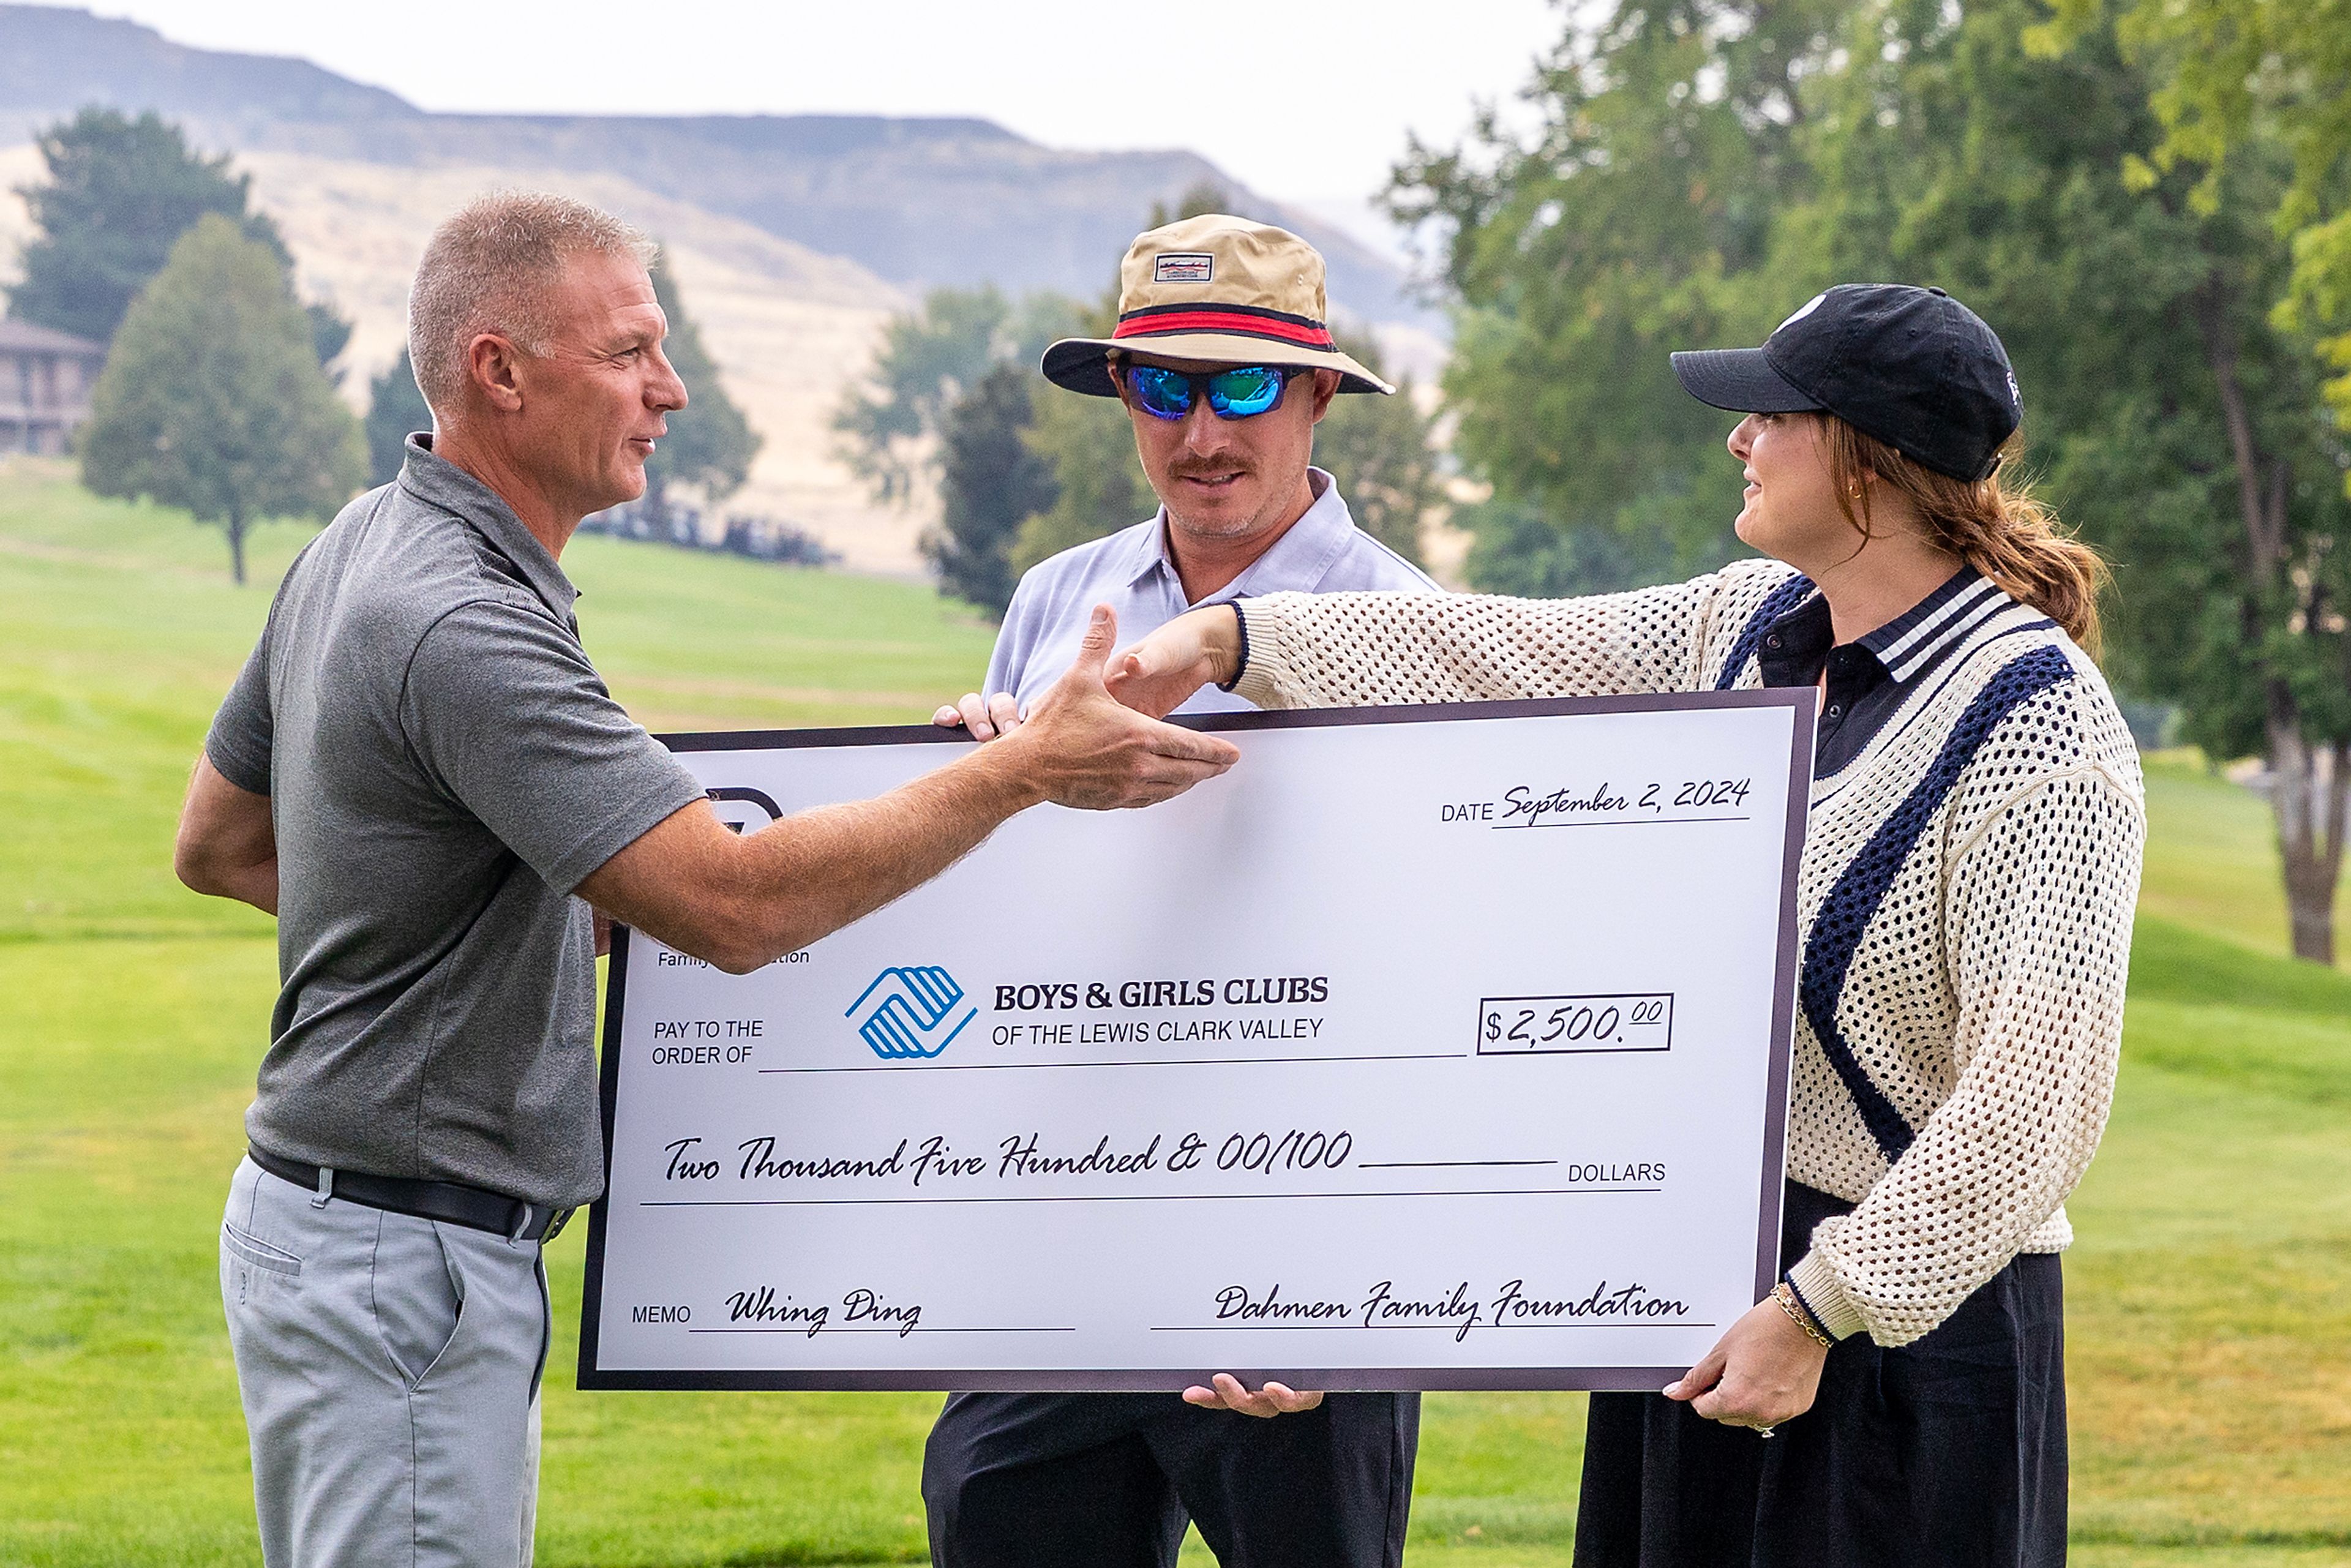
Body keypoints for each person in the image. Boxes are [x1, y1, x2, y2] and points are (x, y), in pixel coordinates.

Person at [172, 191, 1235, 1568]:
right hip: (401, 1260)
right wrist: (1024, 768)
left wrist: (487, 917)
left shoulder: (362, 540)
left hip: (347, 1236)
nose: (668, 392)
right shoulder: (460, 620)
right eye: (628, 354)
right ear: (499, 370)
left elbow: (227, 842)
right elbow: (733, 909)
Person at [1112, 283, 2144, 1567]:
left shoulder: (2040, 726)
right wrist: (1225, 639)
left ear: (1866, 454)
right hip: (1702, 1294)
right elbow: (1487, 651)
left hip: (1902, 1351)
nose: (1738, 439)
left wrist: (1820, 1311)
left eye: (1769, 414)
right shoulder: (1751, 625)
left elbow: (2037, 1101)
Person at [923, 214, 1436, 1568]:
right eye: (1165, 387)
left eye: (1248, 386)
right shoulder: (1058, 600)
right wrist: (975, 772)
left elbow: (1442, 986)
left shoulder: (1414, 624)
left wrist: (1359, 1300)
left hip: (1304, 1257)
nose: (1204, 431)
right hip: (1067, 1225)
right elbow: (1009, 907)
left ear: (1324, 394)